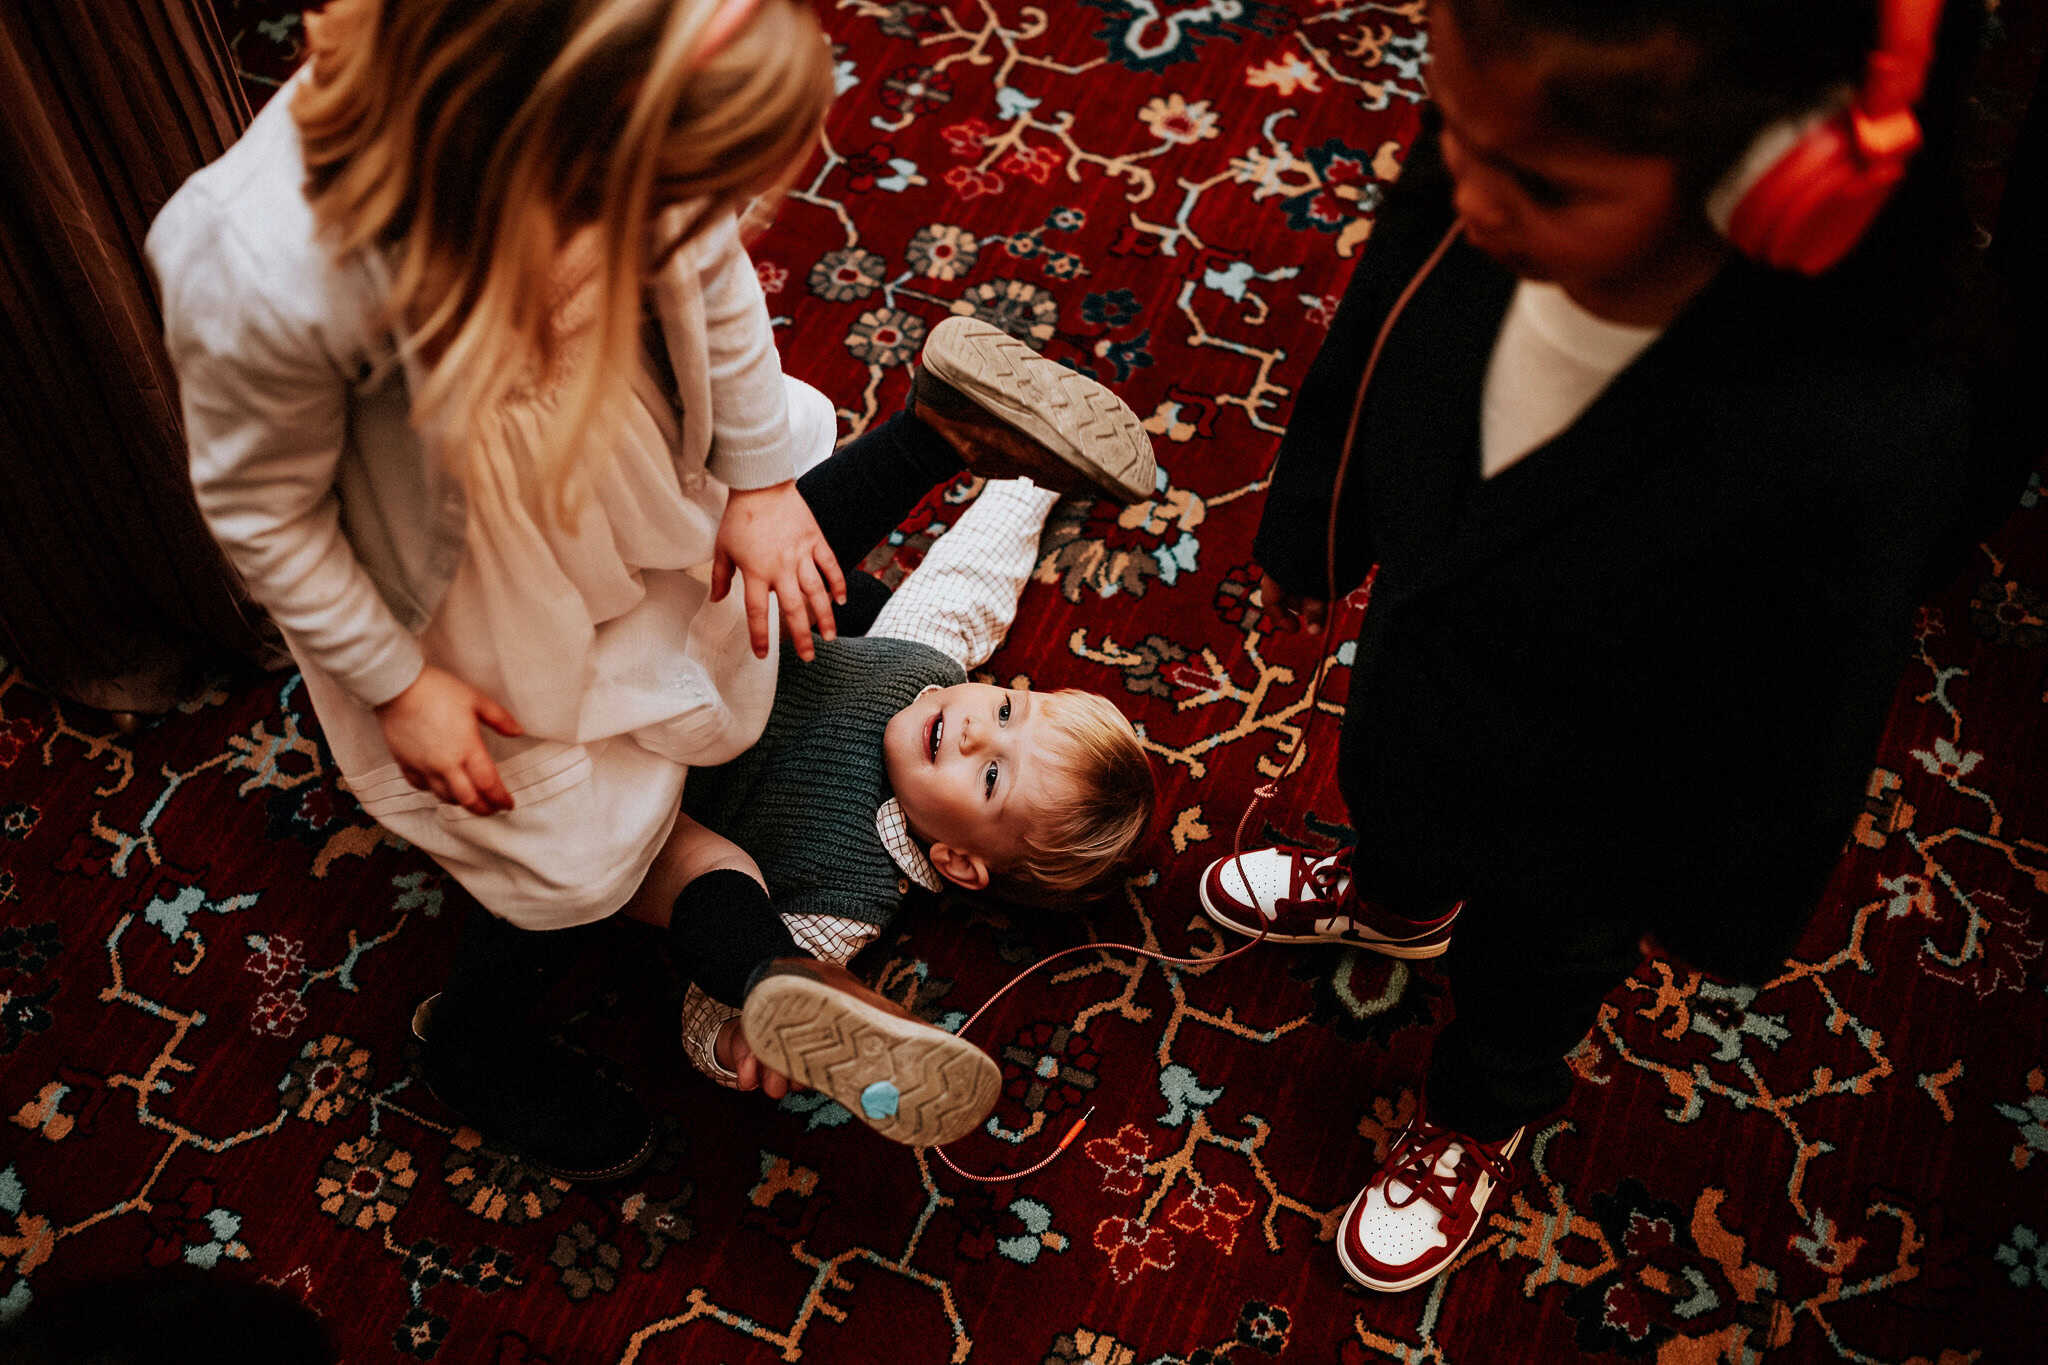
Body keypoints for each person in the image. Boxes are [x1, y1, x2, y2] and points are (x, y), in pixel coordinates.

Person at [146, 0, 1154, 1182]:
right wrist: (397, 680)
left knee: (758, 586)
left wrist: (762, 480)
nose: (717, 218)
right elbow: (265, 515)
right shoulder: (262, 275)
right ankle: (473, 1038)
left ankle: (769, 965)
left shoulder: (617, 90)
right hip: (475, 587)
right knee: (571, 847)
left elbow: (709, 282)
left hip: (639, 480)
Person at [1198, 0, 1989, 1292]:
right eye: (1451, 131)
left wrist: (1721, 894)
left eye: (1542, 187)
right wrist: (1319, 522)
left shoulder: (1863, 428)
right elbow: (1390, 303)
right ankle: (1399, 894)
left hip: (1612, 776)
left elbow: (1814, 700)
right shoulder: (1503, 142)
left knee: (1541, 954)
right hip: (1444, 610)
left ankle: (1477, 1114)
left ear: (1776, 183)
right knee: (1391, 761)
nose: (1473, 195)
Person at [627, 384, 1157, 1146]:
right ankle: (944, 432)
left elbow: (699, 1014)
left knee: (722, 890)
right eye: (1007, 709)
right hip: (712, 643)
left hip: (657, 796)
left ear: (959, 861)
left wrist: (739, 1035)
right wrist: (1030, 479)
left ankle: (765, 971)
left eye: (992, 776)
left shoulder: (849, 897)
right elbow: (970, 579)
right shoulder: (926, 668)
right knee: (821, 578)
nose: (979, 730)